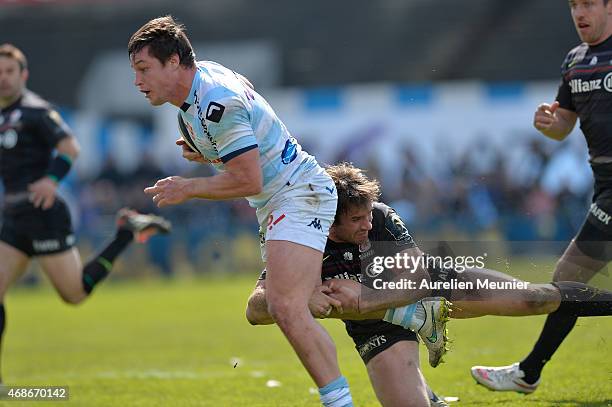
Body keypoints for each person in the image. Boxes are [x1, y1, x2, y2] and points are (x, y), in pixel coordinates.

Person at [128, 16, 350, 406]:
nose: (137, 81)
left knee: (284, 305)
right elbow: (247, 105)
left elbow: (250, 181)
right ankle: (397, 309)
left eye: (144, 69)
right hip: (278, 200)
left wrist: (189, 187)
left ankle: (338, 401)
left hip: (297, 192)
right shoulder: (202, 82)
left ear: (175, 62)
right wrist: (210, 151)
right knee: (263, 308)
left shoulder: (215, 101)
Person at [0, 43, 172, 382]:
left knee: (74, 294)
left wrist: (51, 180)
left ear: (23, 75)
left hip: (44, 212)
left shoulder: (36, 111)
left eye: (9, 72)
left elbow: (70, 148)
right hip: (13, 216)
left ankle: (125, 232)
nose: (3, 79)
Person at [470, 0, 612, 394]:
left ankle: (528, 372)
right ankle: (528, 372)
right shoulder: (575, 61)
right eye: (573, 5)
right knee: (568, 282)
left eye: (588, 4)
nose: (579, 12)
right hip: (603, 184)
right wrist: (549, 124)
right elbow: (563, 125)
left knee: (568, 279)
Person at [245, 162, 450, 407]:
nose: (368, 225)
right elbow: (254, 310)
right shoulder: (306, 238)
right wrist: (296, 300)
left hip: (414, 295)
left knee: (498, 293)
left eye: (368, 215)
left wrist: (366, 299)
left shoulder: (381, 218)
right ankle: (425, 390)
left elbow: (420, 278)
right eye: (356, 219)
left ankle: (510, 371)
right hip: (374, 330)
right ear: (329, 223)